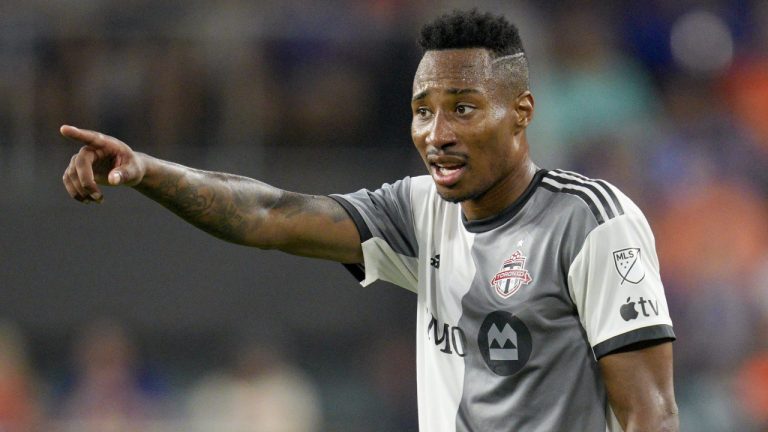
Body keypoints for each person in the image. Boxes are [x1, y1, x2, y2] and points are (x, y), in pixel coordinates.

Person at [60, 9, 679, 432]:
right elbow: (271, 215)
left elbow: (650, 414)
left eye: (463, 108)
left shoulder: (593, 222)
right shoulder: (419, 210)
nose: (437, 135)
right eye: (422, 111)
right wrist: (147, 170)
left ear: (521, 112)